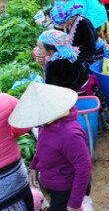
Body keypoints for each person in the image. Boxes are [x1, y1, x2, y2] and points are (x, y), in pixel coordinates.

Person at [9, 83, 92, 211]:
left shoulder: (70, 134)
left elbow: (83, 167)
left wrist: (74, 203)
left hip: (67, 189)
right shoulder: (48, 125)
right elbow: (43, 147)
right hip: (55, 184)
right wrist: (34, 166)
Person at [0, 92, 34, 210]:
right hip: (14, 172)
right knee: (25, 202)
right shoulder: (5, 99)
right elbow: (26, 123)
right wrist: (11, 134)